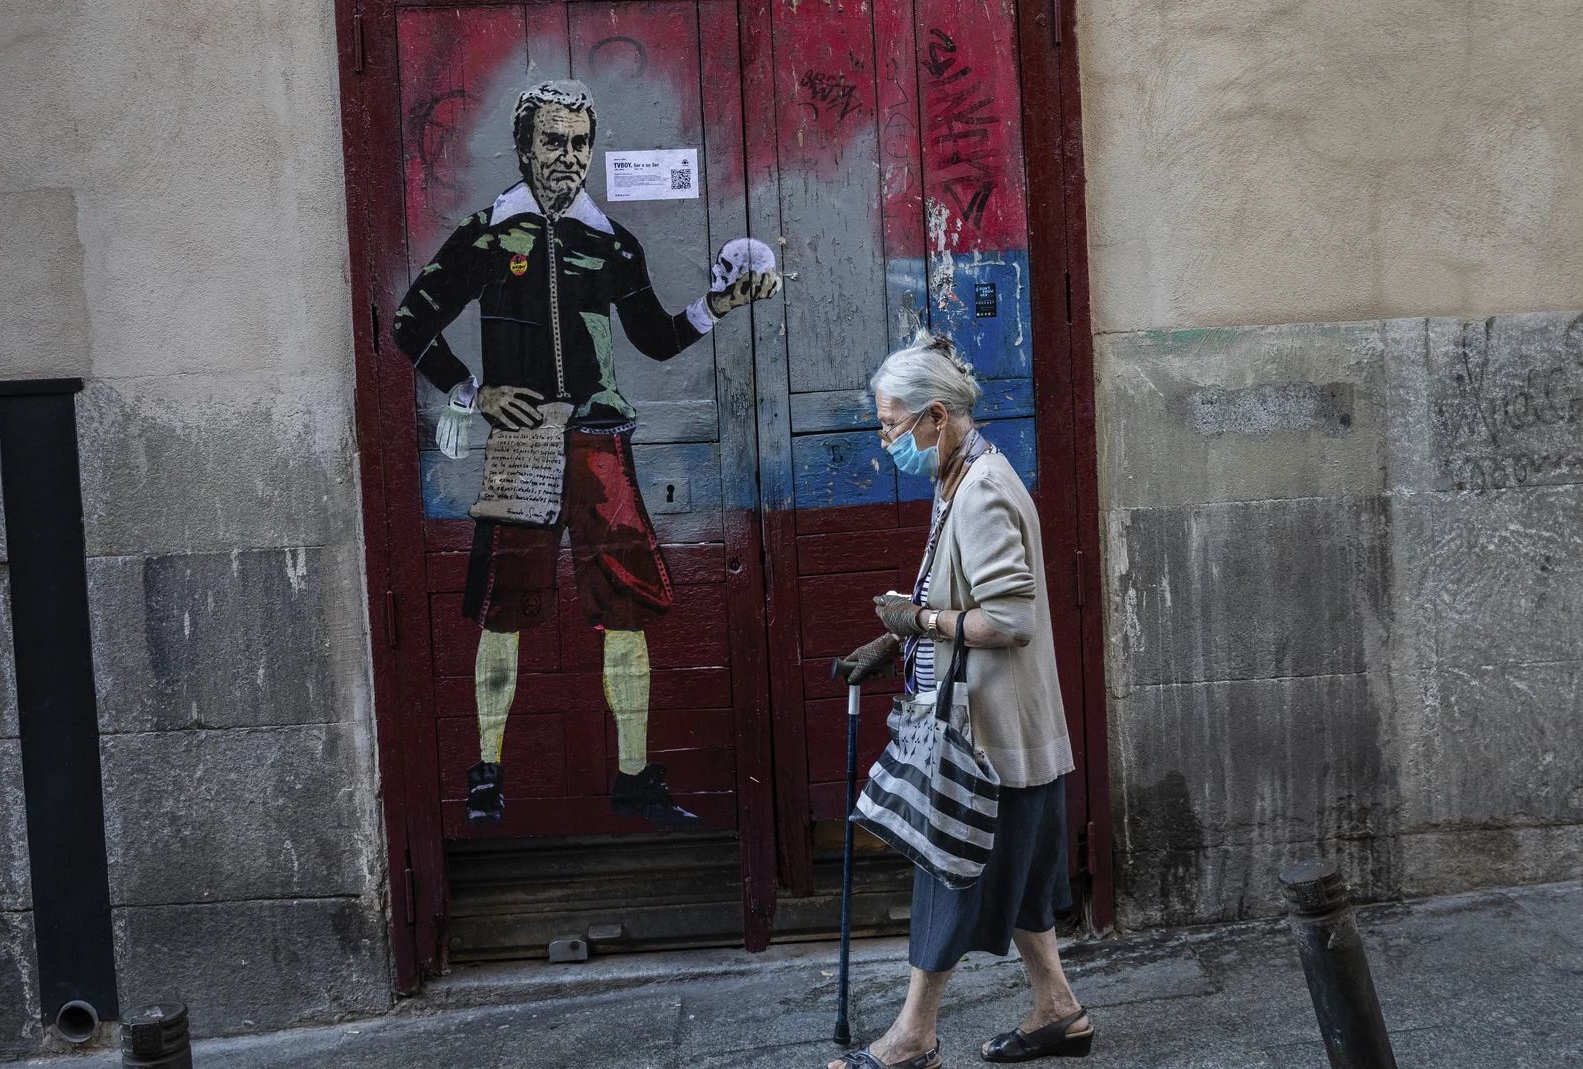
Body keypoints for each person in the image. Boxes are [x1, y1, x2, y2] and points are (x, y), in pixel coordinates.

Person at [392, 79, 780, 829]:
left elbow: (655, 338)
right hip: (524, 442)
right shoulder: (486, 234)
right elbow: (411, 321)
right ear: (524, 146)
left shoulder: (611, 242)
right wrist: (472, 391)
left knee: (625, 608)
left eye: (579, 143)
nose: (568, 157)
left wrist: (720, 304)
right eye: (553, 142)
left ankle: (633, 775)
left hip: (600, 440)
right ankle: (488, 774)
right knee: (502, 613)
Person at [829, 333, 1093, 1067]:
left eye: (891, 424)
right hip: (1007, 732)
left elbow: (1009, 620)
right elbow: (964, 596)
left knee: (953, 875)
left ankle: (912, 1035)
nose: (886, 441)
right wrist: (895, 643)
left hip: (990, 739)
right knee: (1022, 883)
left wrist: (919, 623)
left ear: (935, 417)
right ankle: (1059, 1008)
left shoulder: (978, 491)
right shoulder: (960, 476)